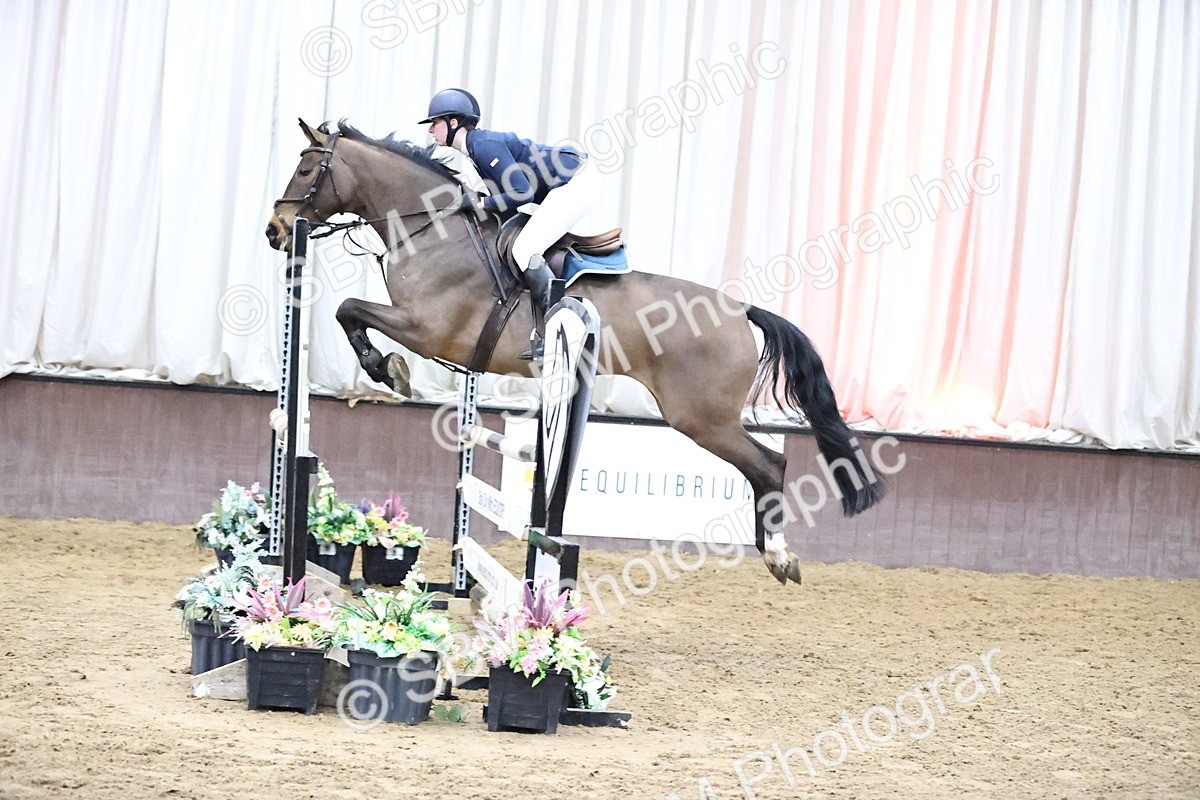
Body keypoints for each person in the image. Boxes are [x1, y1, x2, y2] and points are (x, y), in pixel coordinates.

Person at [419, 87, 607, 360]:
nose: (430, 130)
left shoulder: (483, 145)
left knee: (524, 249)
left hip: (577, 181)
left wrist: (481, 204)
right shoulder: (474, 149)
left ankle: (558, 332)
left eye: (435, 122)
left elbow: (521, 193)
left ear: (454, 122)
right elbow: (508, 200)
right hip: (567, 181)